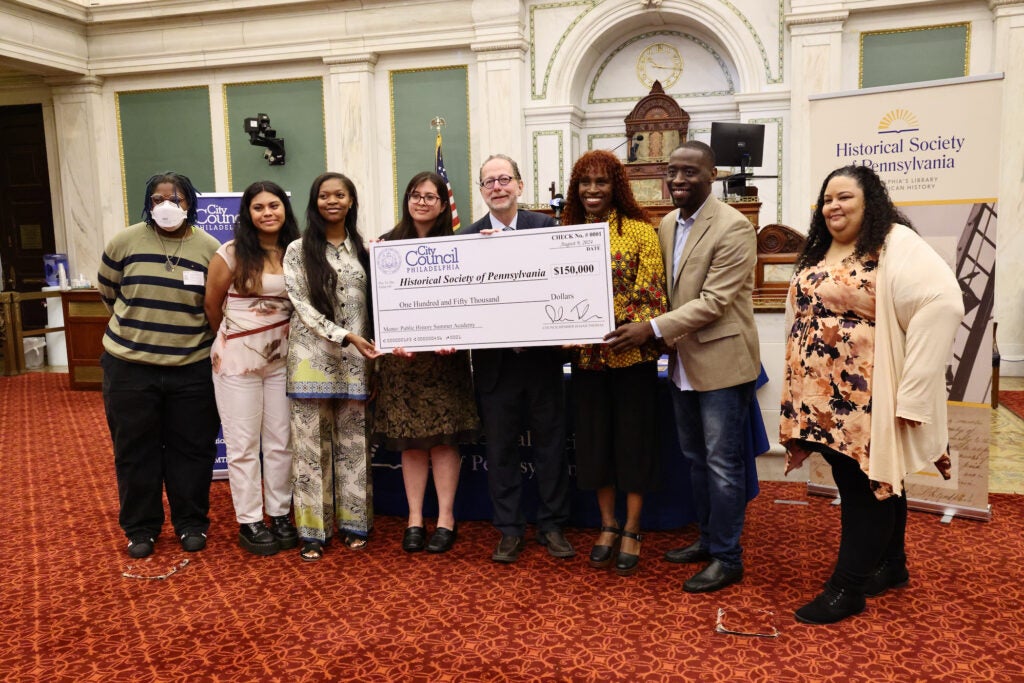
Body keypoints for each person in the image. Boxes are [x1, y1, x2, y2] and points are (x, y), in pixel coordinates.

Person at [779, 165, 963, 624]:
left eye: (845, 198)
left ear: (870, 203)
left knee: (866, 486)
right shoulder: (822, 247)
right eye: (827, 200)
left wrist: (915, 391)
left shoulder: (894, 243)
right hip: (823, 397)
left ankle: (848, 588)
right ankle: (891, 564)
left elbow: (943, 302)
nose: (834, 207)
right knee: (875, 481)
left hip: (866, 397)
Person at [605, 141, 759, 593]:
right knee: (697, 460)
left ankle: (729, 558)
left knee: (723, 464)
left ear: (712, 174)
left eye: (689, 172)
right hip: (682, 362)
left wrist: (648, 329)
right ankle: (709, 540)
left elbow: (713, 302)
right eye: (672, 171)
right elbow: (666, 291)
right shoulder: (669, 223)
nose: (677, 180)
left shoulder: (734, 227)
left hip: (722, 363)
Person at [97, 171, 222, 559]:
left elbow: (215, 304)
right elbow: (109, 291)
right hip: (130, 367)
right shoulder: (125, 240)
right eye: (158, 199)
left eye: (177, 199)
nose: (167, 206)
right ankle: (141, 528)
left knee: (193, 449)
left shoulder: (209, 247)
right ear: (147, 204)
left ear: (191, 203)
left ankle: (190, 523)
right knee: (135, 449)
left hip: (192, 366)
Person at [460, 154, 575, 563]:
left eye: (504, 179)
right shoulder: (467, 239)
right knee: (501, 453)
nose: (497, 187)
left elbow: (567, 284)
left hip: (543, 363)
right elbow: (461, 303)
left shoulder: (548, 229)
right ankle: (509, 530)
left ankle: (552, 525)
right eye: (489, 181)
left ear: (520, 186)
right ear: (481, 190)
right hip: (494, 368)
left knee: (550, 448)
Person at [560, 150, 667, 575]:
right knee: (594, 444)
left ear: (615, 186)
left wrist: (613, 326)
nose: (592, 190)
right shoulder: (562, 232)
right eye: (585, 182)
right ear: (575, 187)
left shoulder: (641, 232)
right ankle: (606, 524)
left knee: (633, 444)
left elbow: (650, 293)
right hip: (585, 360)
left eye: (601, 182)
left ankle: (633, 527)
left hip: (630, 357)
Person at [371, 172, 481, 554]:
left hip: (445, 362)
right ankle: (415, 517)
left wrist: (457, 336)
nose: (422, 202)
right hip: (403, 363)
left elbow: (470, 302)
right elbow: (376, 307)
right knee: (411, 443)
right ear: (407, 200)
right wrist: (390, 342)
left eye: (431, 197)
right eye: (416, 195)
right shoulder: (385, 246)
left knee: (444, 441)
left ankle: (446, 518)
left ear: (442, 203)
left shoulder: (460, 246)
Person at [284, 172, 380, 562]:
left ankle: (355, 525)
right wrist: (343, 335)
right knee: (310, 451)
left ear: (351, 201)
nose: (332, 201)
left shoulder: (365, 250)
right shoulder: (297, 249)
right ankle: (312, 532)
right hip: (310, 361)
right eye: (324, 195)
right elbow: (300, 303)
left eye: (339, 194)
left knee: (354, 446)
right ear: (315, 201)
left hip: (358, 363)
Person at [205, 181, 300, 556]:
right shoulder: (229, 254)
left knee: (280, 441)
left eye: (274, 205)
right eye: (258, 207)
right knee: (243, 445)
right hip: (237, 359)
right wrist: (239, 341)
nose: (267, 213)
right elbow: (212, 306)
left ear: (284, 210)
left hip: (284, 359)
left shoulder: (297, 251)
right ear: (247, 214)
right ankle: (250, 520)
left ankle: (279, 513)